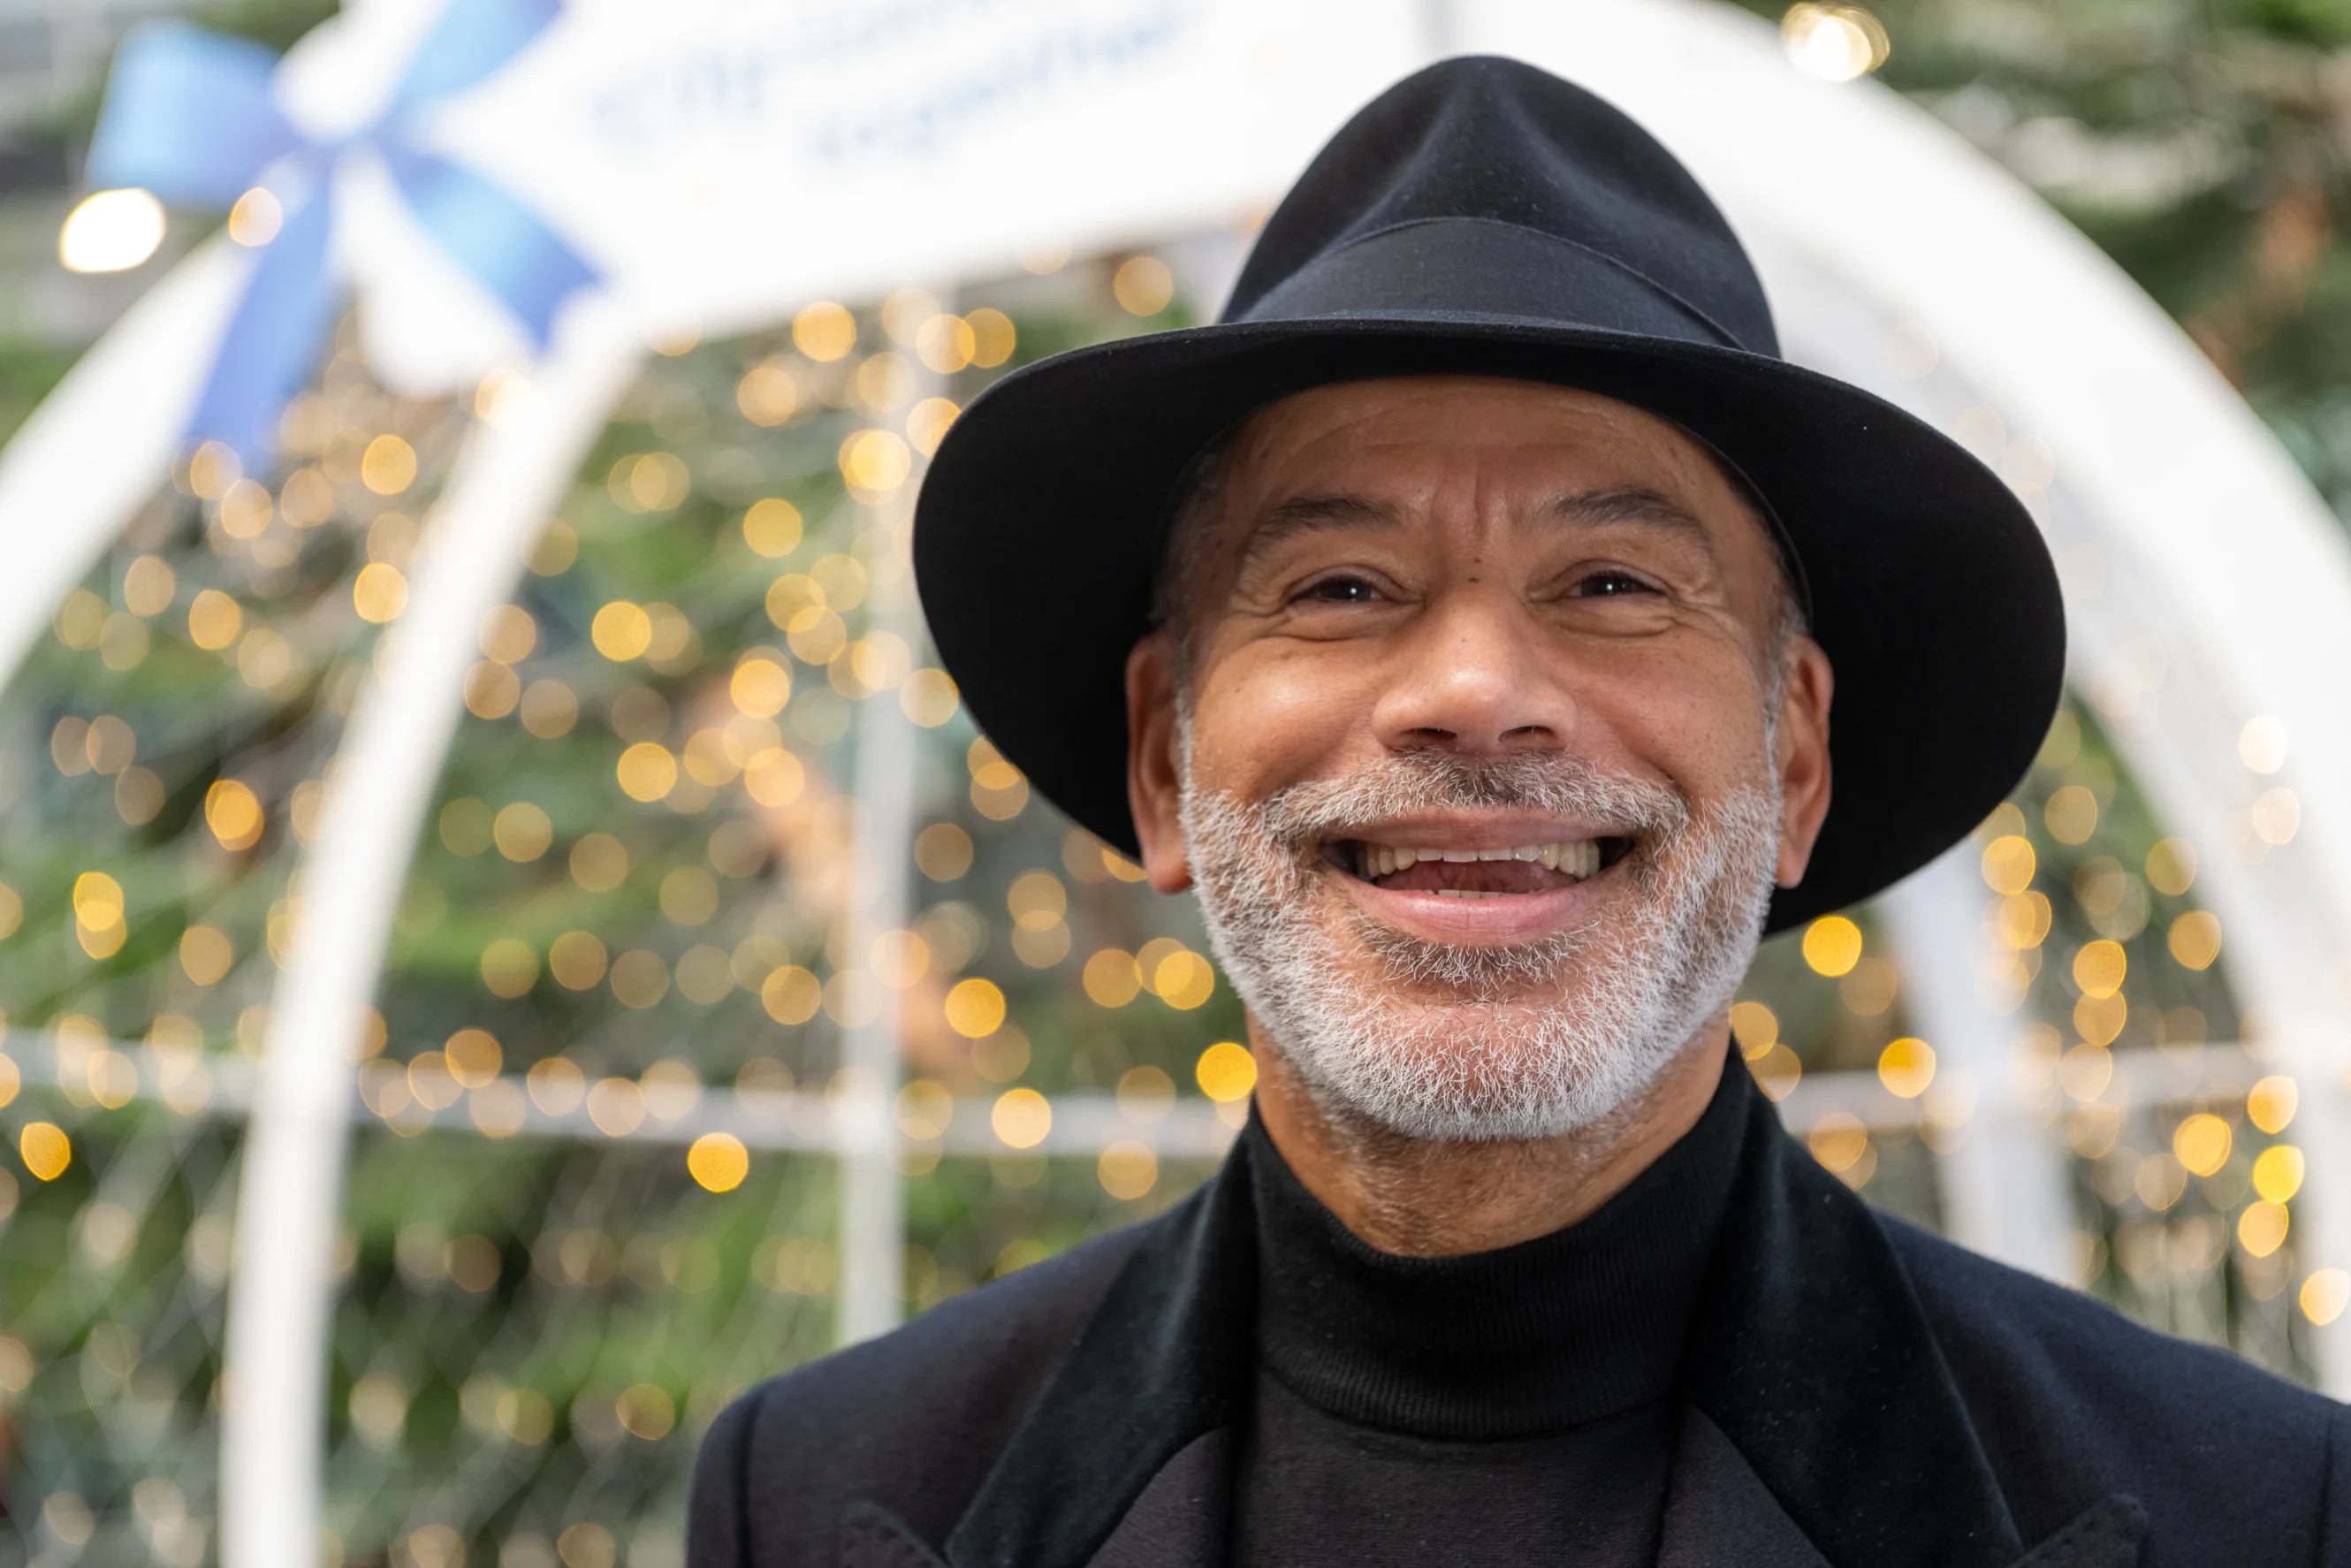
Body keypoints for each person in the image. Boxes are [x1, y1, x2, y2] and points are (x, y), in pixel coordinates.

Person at [690, 57, 2348, 1567]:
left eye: (1615, 581)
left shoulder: (2261, 1514)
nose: (1476, 688)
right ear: (1159, 756)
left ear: (1792, 760)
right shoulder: (827, 1491)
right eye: (1340, 585)